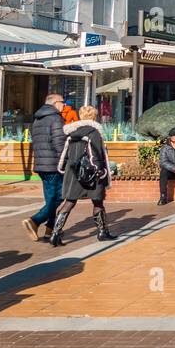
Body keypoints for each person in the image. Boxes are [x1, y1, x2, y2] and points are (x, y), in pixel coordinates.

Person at [49, 105, 112, 246]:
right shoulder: (94, 132)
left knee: (69, 202)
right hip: (91, 174)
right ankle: (102, 232)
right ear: (94, 116)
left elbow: (65, 154)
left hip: (73, 173)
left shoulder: (72, 133)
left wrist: (63, 169)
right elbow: (95, 154)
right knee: (97, 202)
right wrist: (100, 171)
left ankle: (55, 234)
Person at [22, 93, 66, 241]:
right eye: (62, 102)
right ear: (54, 103)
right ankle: (35, 220)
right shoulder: (56, 119)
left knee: (51, 199)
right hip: (54, 165)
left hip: (41, 164)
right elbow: (59, 144)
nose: (64, 105)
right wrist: (66, 161)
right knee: (60, 197)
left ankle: (50, 230)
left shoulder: (38, 120)